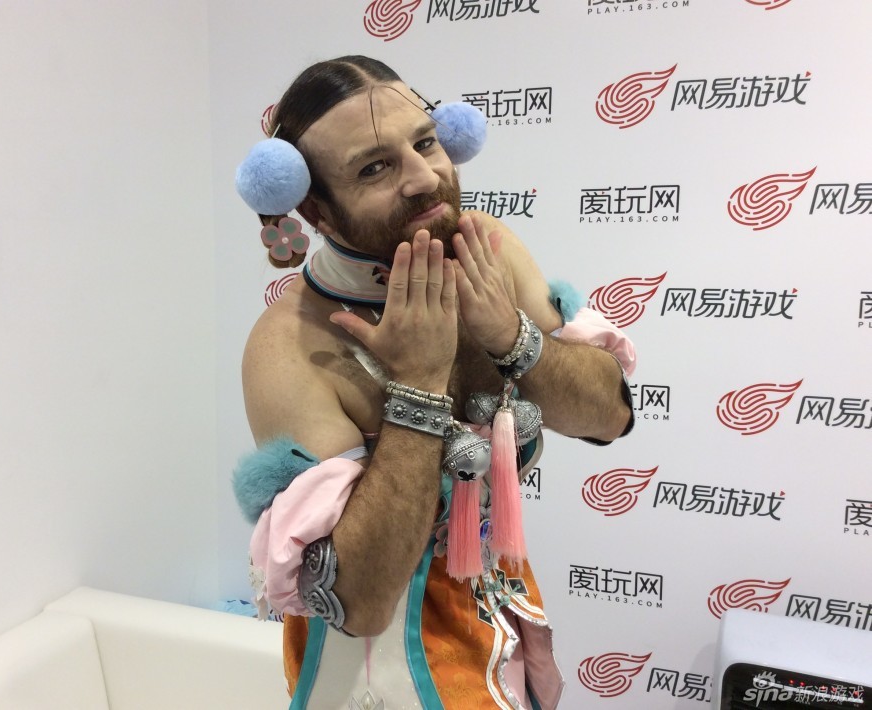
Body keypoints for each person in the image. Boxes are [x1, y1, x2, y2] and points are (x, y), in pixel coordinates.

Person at [233, 55, 636, 710]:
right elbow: (357, 601)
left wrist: (512, 336)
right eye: (374, 168)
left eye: (424, 143)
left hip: (497, 621)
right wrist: (418, 386)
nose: (426, 178)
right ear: (315, 207)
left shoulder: (486, 248)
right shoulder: (290, 344)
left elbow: (609, 416)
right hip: (379, 673)